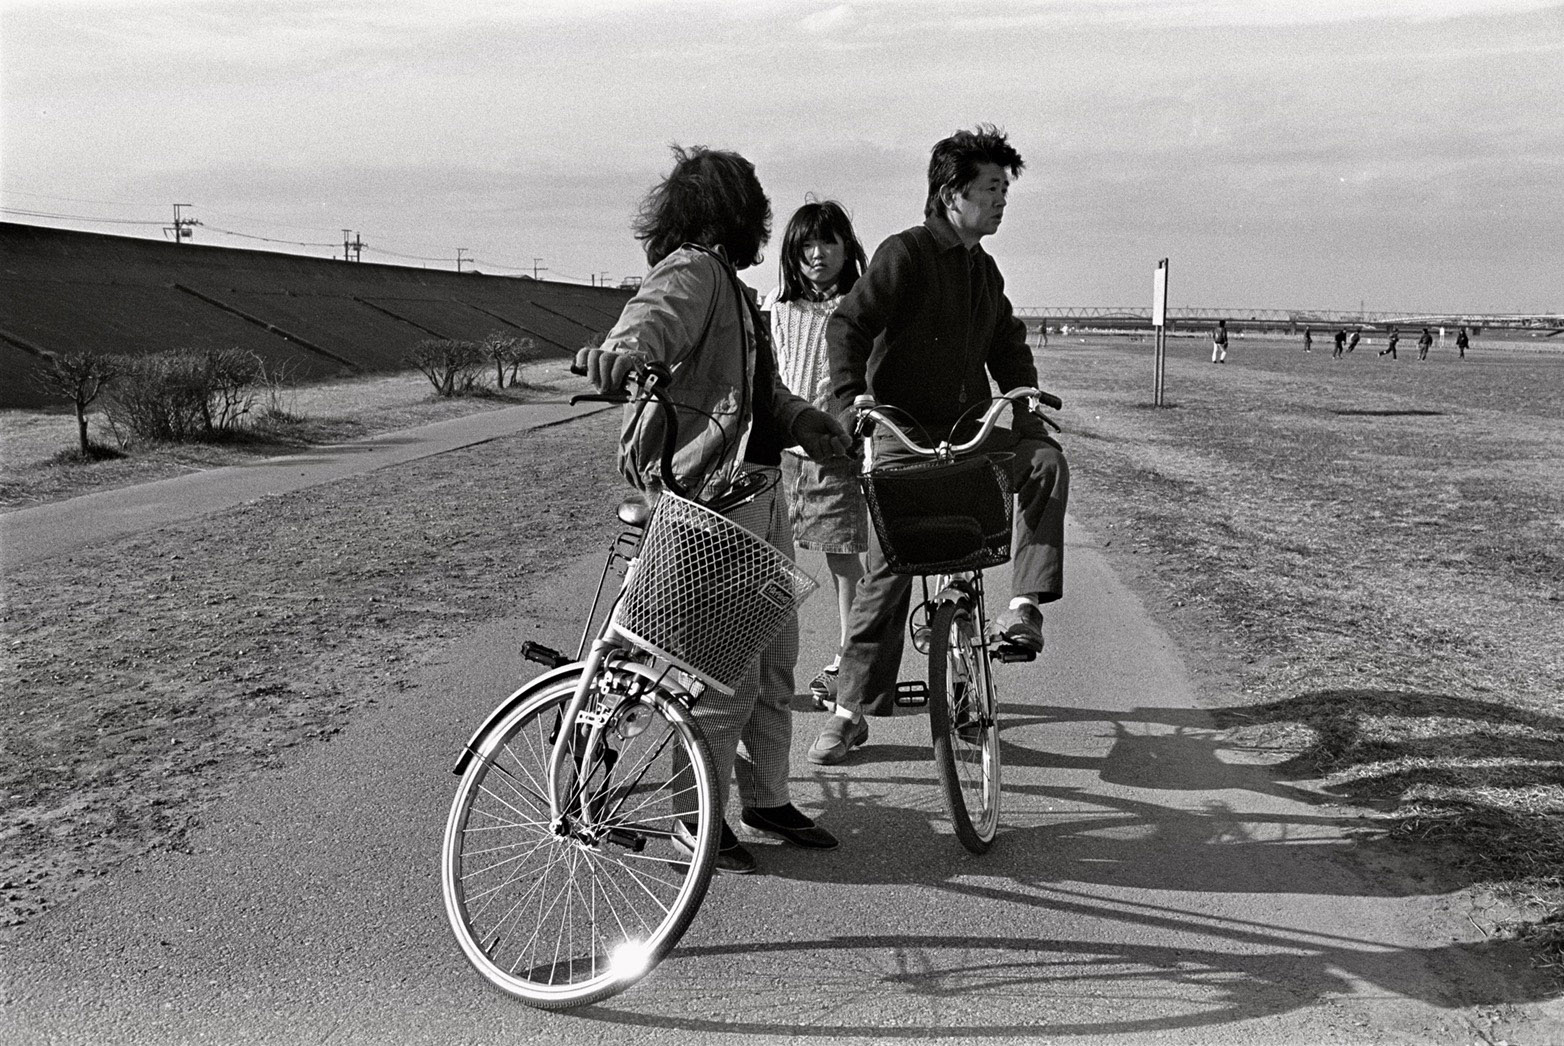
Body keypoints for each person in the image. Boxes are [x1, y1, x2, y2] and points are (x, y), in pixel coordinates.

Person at [574, 145, 854, 871]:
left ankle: (766, 798)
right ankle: (692, 822)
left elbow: (758, 394)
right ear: (733, 210)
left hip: (760, 494)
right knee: (726, 678)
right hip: (716, 503)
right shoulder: (694, 270)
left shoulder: (733, 288)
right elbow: (650, 320)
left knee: (775, 667)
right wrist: (620, 354)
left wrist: (803, 420)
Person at [808, 124, 1069, 765]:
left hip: (969, 433)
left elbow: (1008, 346)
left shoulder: (984, 270)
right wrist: (852, 398)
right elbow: (849, 325)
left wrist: (1026, 409)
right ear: (952, 194)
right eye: (991, 188)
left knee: (1043, 462)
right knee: (887, 575)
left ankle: (1022, 607)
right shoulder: (905, 254)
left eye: (1005, 189)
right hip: (903, 435)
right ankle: (849, 713)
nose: (1001, 200)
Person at [764, 200, 871, 708]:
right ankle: (761, 664)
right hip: (783, 455)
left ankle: (849, 662)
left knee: (844, 560)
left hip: (836, 453)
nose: (816, 254)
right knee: (770, 562)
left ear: (847, 247)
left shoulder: (859, 305)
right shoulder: (777, 306)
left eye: (828, 242)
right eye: (805, 244)